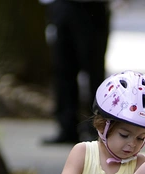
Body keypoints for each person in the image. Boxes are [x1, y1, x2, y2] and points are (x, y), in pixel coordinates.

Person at [38, 0, 111, 144]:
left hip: (91, 7)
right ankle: (67, 128)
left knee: (93, 71)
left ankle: (97, 128)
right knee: (62, 70)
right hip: (62, 5)